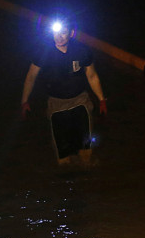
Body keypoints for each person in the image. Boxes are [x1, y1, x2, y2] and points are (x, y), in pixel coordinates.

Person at [21, 18, 107, 166]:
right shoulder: (43, 52)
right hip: (56, 103)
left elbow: (92, 75)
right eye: (56, 33)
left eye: (63, 33)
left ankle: (88, 172)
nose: (59, 37)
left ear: (71, 33)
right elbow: (31, 77)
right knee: (63, 151)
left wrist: (102, 99)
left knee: (85, 144)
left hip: (80, 100)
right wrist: (25, 101)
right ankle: (65, 176)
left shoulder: (82, 51)